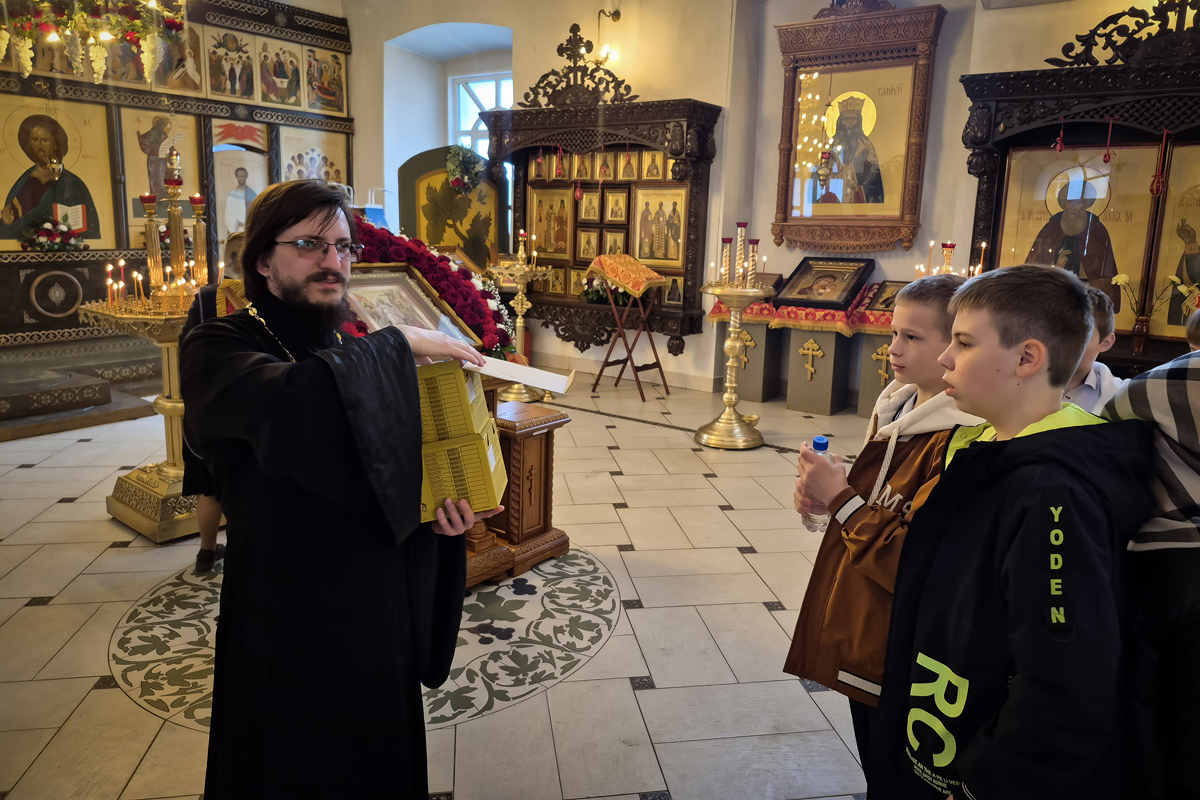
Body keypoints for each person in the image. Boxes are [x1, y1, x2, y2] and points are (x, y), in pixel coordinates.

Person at [180, 181, 501, 798]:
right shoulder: (217, 345)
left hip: (375, 609)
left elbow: (395, 469)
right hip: (284, 611)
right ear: (263, 261)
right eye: (310, 245)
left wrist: (438, 523)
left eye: (344, 247)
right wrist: (398, 342)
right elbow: (290, 405)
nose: (334, 262)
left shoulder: (348, 350)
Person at [870, 265, 1154, 799]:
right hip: (937, 719)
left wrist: (985, 782)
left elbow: (1065, 683)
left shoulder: (1053, 493)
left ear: (1027, 358)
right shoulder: (979, 446)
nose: (945, 358)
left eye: (963, 343)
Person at [786, 275, 981, 771]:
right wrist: (826, 500)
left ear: (955, 346)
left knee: (893, 762)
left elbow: (914, 559)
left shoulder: (963, 434)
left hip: (903, 635)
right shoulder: (898, 402)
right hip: (864, 611)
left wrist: (841, 498)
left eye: (912, 337)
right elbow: (879, 501)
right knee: (872, 749)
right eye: (893, 333)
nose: (893, 348)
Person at [1103, 354, 1200, 799]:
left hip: (1162, 556)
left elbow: (1107, 434)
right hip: (1171, 565)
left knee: (1148, 710)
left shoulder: (1169, 379)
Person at [181, 232, 245, 573]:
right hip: (245, 406)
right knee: (243, 483)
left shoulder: (208, 297)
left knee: (208, 485)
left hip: (205, 404)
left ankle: (206, 552)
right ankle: (242, 555)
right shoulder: (270, 296)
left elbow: (187, 345)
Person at [0, 115, 99, 240]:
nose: (40, 145)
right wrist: (5, 224)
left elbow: (89, 230)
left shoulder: (72, 183)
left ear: (55, 144)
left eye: (45, 140)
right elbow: (8, 231)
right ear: (28, 144)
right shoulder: (21, 185)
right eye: (35, 140)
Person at [1026, 180, 1119, 311]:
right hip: (1055, 287)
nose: (1073, 207)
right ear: (1064, 205)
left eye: (1078, 203)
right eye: (1070, 203)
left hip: (1086, 290)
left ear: (1086, 204)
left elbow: (1103, 267)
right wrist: (1056, 267)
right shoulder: (1051, 228)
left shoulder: (1096, 229)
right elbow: (1037, 261)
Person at [1063, 286, 1125, 414]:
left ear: (1106, 343)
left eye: (1081, 335)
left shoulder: (1120, 398)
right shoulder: (1022, 384)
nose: (1063, 342)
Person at [831, 96, 883, 203]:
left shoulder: (866, 146)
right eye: (845, 120)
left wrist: (857, 187)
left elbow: (874, 181)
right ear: (840, 122)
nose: (849, 124)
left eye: (853, 119)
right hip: (834, 198)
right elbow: (820, 175)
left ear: (858, 122)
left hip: (857, 199)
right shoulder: (832, 146)